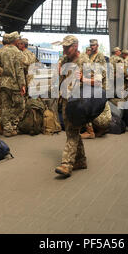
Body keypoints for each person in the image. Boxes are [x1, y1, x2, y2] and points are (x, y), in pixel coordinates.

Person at [55, 35, 90, 178]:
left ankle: (67, 164)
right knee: (71, 131)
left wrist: (83, 78)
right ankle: (81, 160)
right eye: (63, 47)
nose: (64, 50)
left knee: (72, 131)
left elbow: (98, 81)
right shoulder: (65, 60)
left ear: (75, 46)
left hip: (77, 102)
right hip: (65, 100)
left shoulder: (84, 61)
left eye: (67, 47)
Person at [0, 31, 26, 137]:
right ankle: (11, 126)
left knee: (5, 106)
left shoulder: (0, 51)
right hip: (15, 84)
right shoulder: (18, 53)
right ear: (15, 40)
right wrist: (22, 85)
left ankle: (7, 129)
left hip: (3, 83)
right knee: (20, 106)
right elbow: (19, 71)